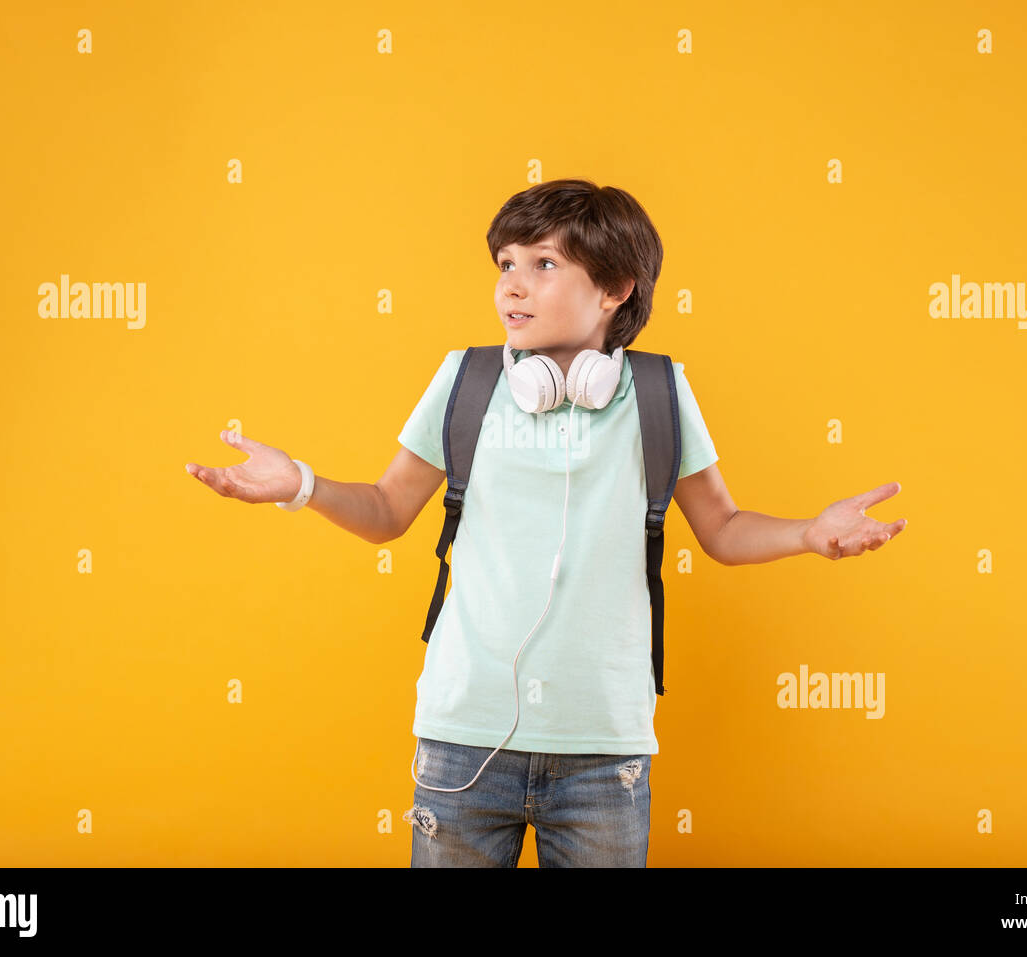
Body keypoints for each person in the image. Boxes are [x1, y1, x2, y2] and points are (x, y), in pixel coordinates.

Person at [185, 178, 907, 867]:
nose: (512, 283)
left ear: (616, 288)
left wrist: (809, 532)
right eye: (505, 263)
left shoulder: (658, 392)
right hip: (462, 741)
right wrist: (302, 485)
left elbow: (722, 528)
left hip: (603, 752)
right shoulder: (465, 381)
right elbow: (386, 511)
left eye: (544, 263)